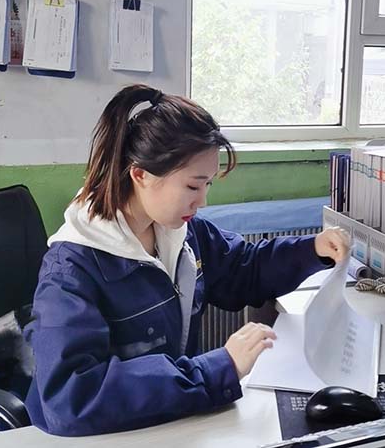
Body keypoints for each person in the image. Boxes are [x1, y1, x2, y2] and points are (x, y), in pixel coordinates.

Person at [23, 84, 350, 436]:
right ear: (141, 175)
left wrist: (312, 249)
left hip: (169, 419)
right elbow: (72, 397)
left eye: (208, 185)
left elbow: (244, 268)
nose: (202, 201)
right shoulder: (71, 270)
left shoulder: (182, 233)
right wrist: (218, 368)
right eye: (193, 187)